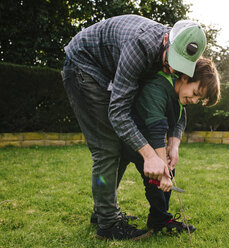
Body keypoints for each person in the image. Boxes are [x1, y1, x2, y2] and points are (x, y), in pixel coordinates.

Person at [61, 14, 207, 240]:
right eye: (171, 61)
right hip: (84, 67)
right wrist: (150, 156)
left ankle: (102, 212)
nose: (171, 69)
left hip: (105, 73)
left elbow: (177, 105)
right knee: (107, 148)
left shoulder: (180, 49)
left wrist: (173, 143)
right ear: (167, 39)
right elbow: (118, 112)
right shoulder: (140, 46)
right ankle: (108, 224)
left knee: (121, 146)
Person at [118, 58, 220, 234]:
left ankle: (159, 218)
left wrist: (174, 147)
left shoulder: (179, 93)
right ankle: (155, 219)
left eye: (199, 98)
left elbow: (180, 119)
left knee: (166, 172)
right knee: (156, 175)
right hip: (130, 137)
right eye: (195, 93)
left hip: (148, 139)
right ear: (186, 77)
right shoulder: (157, 87)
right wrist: (162, 167)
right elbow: (157, 131)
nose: (195, 100)